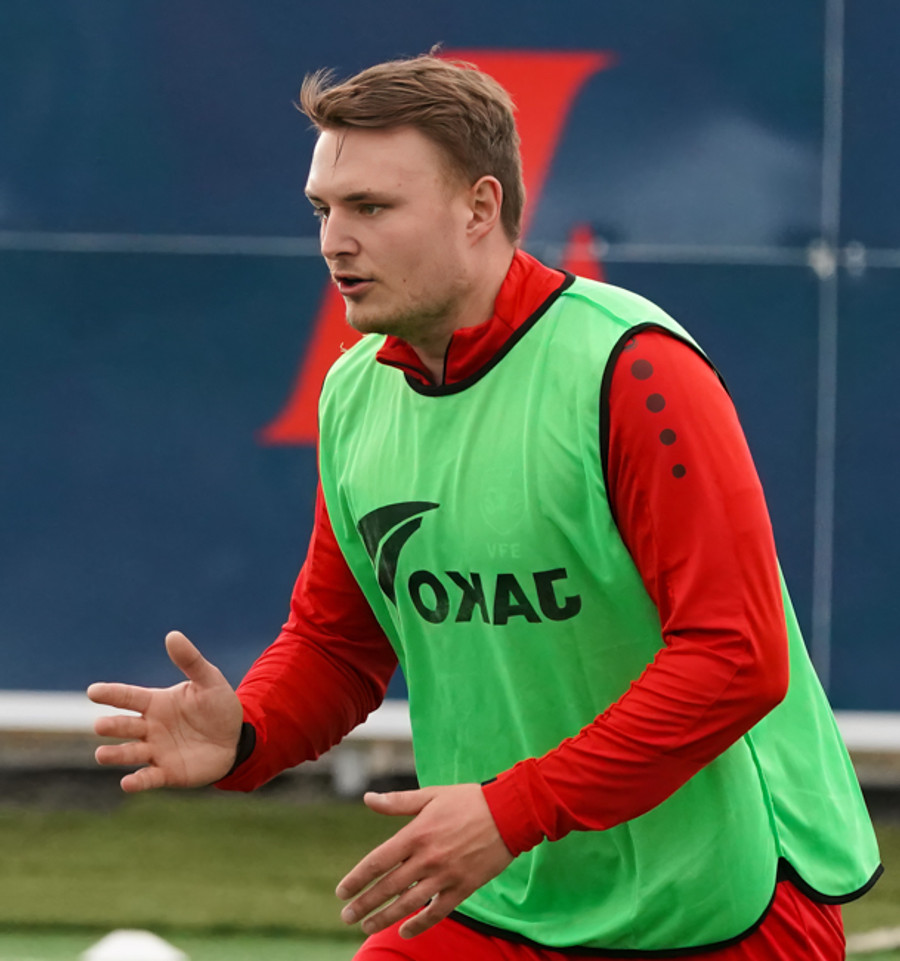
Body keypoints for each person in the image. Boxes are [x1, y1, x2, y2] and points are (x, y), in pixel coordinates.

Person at [88, 55, 881, 960]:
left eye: (371, 208)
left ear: (479, 208)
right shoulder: (355, 392)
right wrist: (248, 732)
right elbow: (338, 643)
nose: (335, 242)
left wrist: (511, 809)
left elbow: (735, 659)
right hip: (506, 886)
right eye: (323, 210)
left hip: (726, 896)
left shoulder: (635, 372)